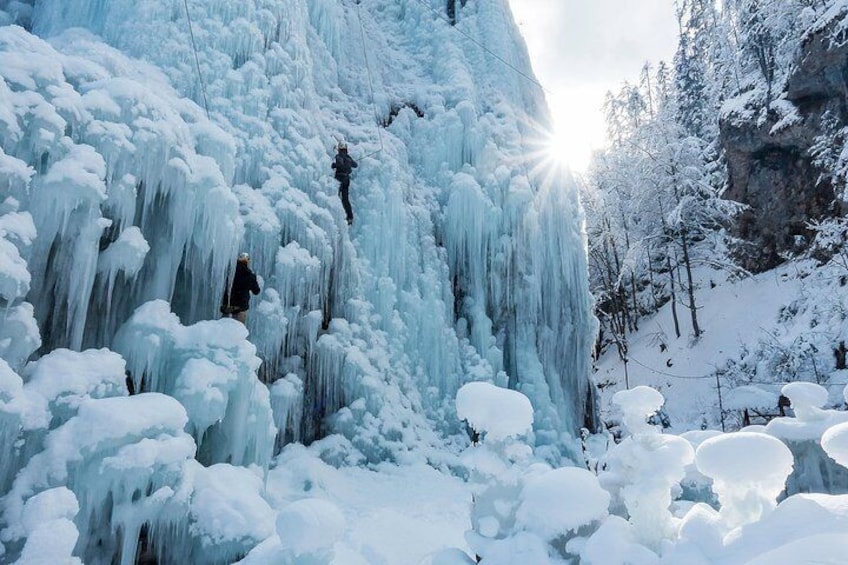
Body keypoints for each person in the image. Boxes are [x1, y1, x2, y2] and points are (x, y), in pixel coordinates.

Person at [221, 252, 260, 324]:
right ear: (247, 262)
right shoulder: (249, 275)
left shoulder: (230, 272)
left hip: (227, 307)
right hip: (240, 308)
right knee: (237, 331)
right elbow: (256, 291)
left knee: (224, 330)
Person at [331, 141, 358, 225]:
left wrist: (334, 165)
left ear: (339, 149)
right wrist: (349, 161)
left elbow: (340, 164)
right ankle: (350, 217)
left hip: (340, 178)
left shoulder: (338, 156)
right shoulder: (348, 157)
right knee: (345, 199)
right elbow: (355, 165)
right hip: (347, 179)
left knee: (337, 197)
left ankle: (336, 216)